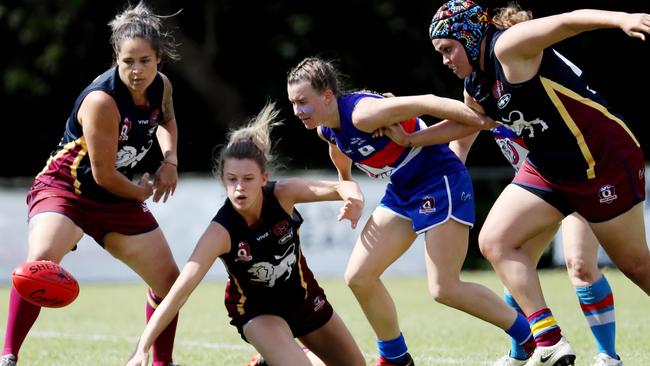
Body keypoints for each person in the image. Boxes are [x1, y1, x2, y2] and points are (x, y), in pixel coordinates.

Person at [426, 1, 650, 365]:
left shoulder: (508, 46)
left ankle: (604, 354)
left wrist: (621, 18)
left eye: (448, 49)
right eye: (440, 53)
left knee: (637, 266)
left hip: (602, 161)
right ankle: (549, 341)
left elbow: (567, 20)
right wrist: (419, 149)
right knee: (496, 241)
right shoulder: (476, 83)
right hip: (550, 166)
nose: (446, 59)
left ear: (469, 38)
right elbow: (466, 129)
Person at [286, 56, 539, 366]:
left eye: (302, 102)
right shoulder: (326, 127)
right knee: (359, 277)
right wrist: (347, 186)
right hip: (403, 190)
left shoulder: (365, 113)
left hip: (439, 181)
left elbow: (427, 101)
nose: (297, 111)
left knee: (445, 288)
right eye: (293, 103)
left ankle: (533, 338)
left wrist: (481, 120)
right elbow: (338, 149)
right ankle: (395, 358)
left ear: (326, 96)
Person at [1, 3, 182, 366]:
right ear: (117, 57)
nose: (136, 71)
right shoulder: (102, 101)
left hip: (114, 197)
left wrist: (170, 160)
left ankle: (162, 363)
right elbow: (103, 176)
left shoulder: (161, 86)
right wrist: (141, 193)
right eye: (128, 61)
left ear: (159, 58)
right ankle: (8, 356)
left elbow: (167, 121)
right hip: (67, 190)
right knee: (39, 264)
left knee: (169, 281)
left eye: (145, 61)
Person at [125, 102, 367, 366]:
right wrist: (143, 347)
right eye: (232, 179)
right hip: (259, 312)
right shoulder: (220, 232)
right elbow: (179, 292)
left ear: (264, 178)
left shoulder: (284, 195)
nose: (239, 188)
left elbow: (343, 187)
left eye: (248, 179)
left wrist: (354, 200)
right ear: (222, 179)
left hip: (304, 299)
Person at [387, 122, 622, 366]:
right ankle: (521, 354)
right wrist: (444, 188)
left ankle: (608, 357)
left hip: (580, 178)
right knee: (515, 263)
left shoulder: (530, 87)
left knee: (581, 265)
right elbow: (460, 141)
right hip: (541, 190)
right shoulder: (481, 93)